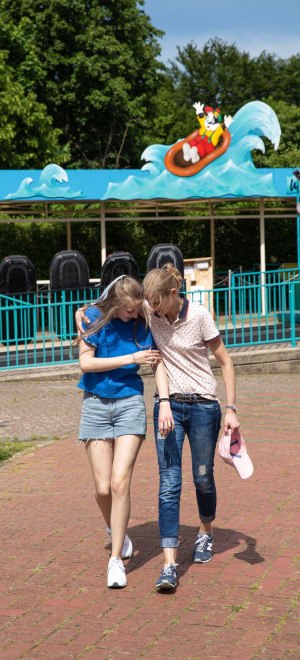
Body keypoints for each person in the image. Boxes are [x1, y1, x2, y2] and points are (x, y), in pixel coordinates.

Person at [142, 264, 239, 591]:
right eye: (149, 304)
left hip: (203, 407)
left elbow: (225, 362)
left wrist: (231, 409)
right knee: (169, 481)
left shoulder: (198, 315)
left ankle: (205, 532)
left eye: (157, 302)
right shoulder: (151, 310)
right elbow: (114, 298)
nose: (152, 309)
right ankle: (169, 565)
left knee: (202, 476)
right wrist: (83, 313)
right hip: (168, 407)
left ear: (173, 293)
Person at [77, 274, 173, 589]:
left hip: (130, 404)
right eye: (129, 310)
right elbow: (86, 365)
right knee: (102, 489)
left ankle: (115, 559)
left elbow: (157, 363)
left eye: (137, 309)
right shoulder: (92, 317)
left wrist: (166, 401)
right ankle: (114, 528)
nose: (134, 314)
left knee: (120, 482)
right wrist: (132, 358)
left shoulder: (143, 321)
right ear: (115, 305)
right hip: (95, 405)